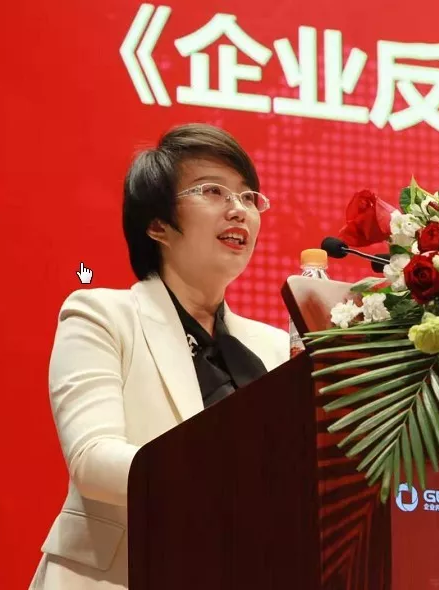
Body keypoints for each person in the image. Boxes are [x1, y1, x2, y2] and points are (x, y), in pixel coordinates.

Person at [29, 124, 290, 589]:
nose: (238, 209)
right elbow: (93, 459)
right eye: (212, 191)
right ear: (158, 226)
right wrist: (224, 484)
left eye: (249, 197)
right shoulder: (102, 315)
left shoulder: (274, 347)